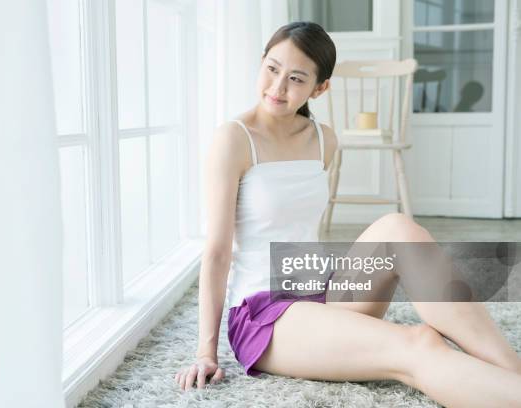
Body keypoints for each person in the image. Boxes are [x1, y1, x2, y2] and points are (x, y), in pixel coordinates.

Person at [175, 22, 521, 407]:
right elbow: (219, 252)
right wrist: (206, 351)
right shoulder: (233, 139)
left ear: (319, 88)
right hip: (266, 315)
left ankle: (513, 370)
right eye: (272, 69)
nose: (277, 87)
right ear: (261, 63)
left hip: (324, 291)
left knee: (398, 227)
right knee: (419, 341)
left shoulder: (324, 139)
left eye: (296, 78)